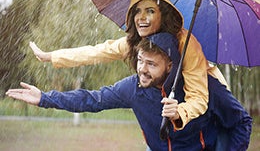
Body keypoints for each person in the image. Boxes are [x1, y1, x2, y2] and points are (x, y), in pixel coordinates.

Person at [6, 33, 252, 151]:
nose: (142, 70)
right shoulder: (132, 88)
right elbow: (92, 99)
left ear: (170, 65)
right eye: (140, 60)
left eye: (151, 64)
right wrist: (44, 98)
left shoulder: (205, 86)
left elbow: (241, 122)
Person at [29, 0, 229, 130]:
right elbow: (96, 52)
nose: (141, 17)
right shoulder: (135, 42)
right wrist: (51, 56)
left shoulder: (185, 43)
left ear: (163, 16)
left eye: (150, 11)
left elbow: (199, 98)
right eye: (137, 11)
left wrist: (180, 112)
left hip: (204, 103)